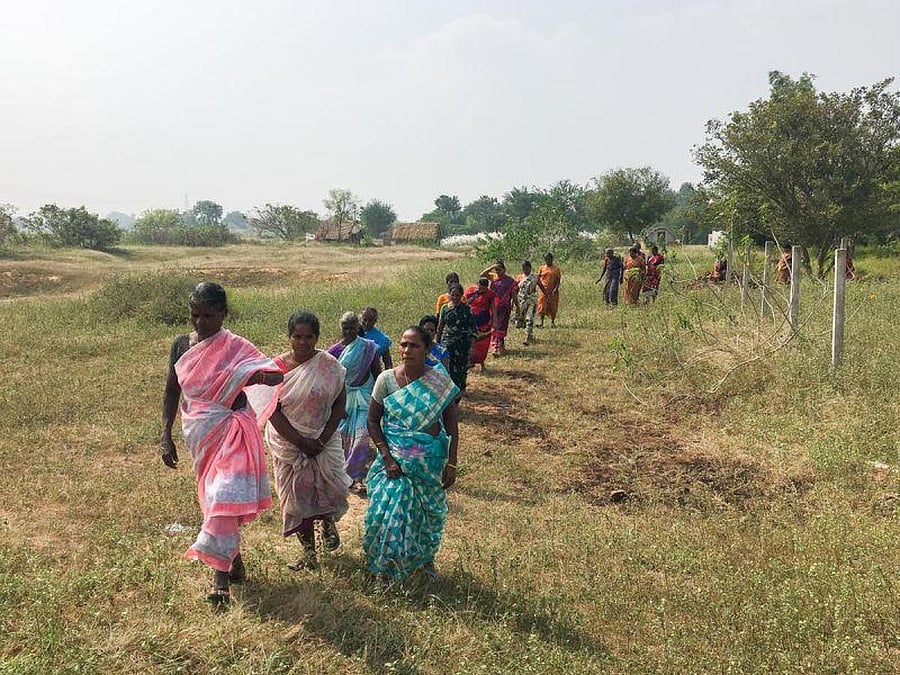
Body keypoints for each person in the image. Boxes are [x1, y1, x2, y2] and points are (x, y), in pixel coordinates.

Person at [160, 282, 283, 606]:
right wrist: (165, 435)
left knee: (221, 498)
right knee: (212, 499)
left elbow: (274, 375)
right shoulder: (181, 346)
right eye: (194, 315)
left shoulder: (235, 347)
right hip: (201, 432)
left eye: (208, 316)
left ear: (223, 314)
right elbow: (173, 390)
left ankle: (219, 582)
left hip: (233, 428)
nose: (200, 323)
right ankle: (233, 561)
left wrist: (247, 376)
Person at [364, 325, 460, 582]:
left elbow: (451, 423)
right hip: (394, 462)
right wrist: (386, 456)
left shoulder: (439, 381)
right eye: (403, 344)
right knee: (391, 512)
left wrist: (451, 463)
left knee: (424, 517)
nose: (406, 350)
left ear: (427, 350)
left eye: (414, 345)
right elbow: (373, 421)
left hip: (429, 463)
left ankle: (422, 564)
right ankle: (385, 568)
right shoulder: (386, 379)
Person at [260, 310, 349, 571]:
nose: (302, 342)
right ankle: (309, 554)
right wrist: (300, 441)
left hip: (324, 439)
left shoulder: (329, 365)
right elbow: (271, 409)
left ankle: (328, 525)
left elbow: (339, 402)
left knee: (329, 488)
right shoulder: (275, 368)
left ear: (317, 338)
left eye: (308, 337)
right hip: (289, 445)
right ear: (289, 337)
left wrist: (321, 439)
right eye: (297, 337)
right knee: (298, 500)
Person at [327, 312, 381, 496]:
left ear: (357, 328)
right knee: (342, 437)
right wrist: (335, 405)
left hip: (365, 395)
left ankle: (356, 477)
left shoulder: (368, 348)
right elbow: (330, 380)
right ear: (340, 328)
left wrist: (377, 399)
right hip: (343, 398)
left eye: (352, 327)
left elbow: (377, 373)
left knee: (362, 435)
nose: (349, 331)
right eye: (345, 328)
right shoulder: (334, 352)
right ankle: (341, 474)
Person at [436, 283, 476, 395]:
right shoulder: (445, 308)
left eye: (457, 295)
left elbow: (473, 329)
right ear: (449, 295)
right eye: (452, 295)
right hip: (447, 344)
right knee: (446, 368)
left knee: (461, 368)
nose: (455, 297)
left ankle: (460, 391)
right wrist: (437, 343)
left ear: (462, 295)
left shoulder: (467, 309)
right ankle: (447, 392)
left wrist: (472, 346)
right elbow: (440, 327)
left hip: (462, 345)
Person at [480, 260, 516, 356]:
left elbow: (513, 294)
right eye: (496, 270)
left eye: (499, 269)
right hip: (494, 306)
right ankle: (495, 347)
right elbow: (482, 274)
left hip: (504, 307)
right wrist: (492, 267)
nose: (498, 272)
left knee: (502, 326)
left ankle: (500, 345)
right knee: (495, 326)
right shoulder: (493, 277)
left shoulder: (510, 281)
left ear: (504, 270)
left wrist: (517, 306)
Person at [463, 277, 495, 370]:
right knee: (470, 343)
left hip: (484, 323)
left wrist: (495, 321)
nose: (481, 290)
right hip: (471, 322)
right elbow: (464, 303)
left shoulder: (490, 295)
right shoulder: (470, 292)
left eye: (483, 288)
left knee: (483, 344)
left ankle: (482, 363)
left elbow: (493, 308)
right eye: (480, 288)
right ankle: (469, 362)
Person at [513, 260, 539, 346]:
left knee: (529, 318)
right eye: (524, 269)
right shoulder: (520, 277)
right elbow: (515, 289)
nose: (526, 271)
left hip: (531, 300)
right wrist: (513, 301)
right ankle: (529, 334)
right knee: (520, 320)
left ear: (530, 268)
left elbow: (540, 286)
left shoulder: (534, 277)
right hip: (521, 300)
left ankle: (528, 336)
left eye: (527, 269)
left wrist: (547, 296)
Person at [360, 306, 393, 370]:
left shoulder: (382, 339)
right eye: (365, 320)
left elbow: (387, 361)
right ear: (360, 318)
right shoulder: (353, 333)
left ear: (375, 321)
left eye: (370, 320)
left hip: (373, 373)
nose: (367, 323)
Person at [536, 252, 562, 327]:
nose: (548, 261)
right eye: (546, 259)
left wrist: (556, 289)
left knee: (553, 306)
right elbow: (538, 278)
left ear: (552, 259)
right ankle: (541, 323)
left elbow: (558, 280)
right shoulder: (542, 268)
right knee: (542, 306)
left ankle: (552, 322)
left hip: (553, 291)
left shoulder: (556, 269)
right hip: (543, 290)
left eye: (549, 259)